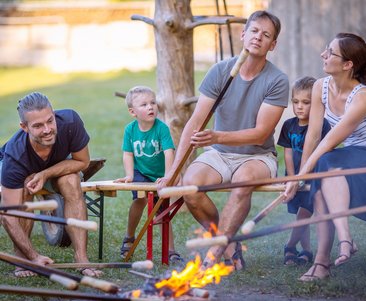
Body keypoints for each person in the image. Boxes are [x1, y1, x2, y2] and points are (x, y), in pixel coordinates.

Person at [158, 10, 289, 270]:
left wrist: (217, 135)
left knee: (243, 181)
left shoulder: (277, 80)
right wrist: (173, 173)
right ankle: (228, 241)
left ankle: (214, 254)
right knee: (190, 187)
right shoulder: (220, 71)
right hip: (220, 153)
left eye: (266, 35)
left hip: (257, 156)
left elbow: (261, 133)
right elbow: (195, 123)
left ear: (272, 45)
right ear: (243, 34)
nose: (258, 38)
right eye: (254, 31)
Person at [284, 33, 366, 281]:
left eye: (331, 53)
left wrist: (302, 174)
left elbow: (328, 141)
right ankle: (324, 261)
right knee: (322, 172)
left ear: (348, 65)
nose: (323, 55)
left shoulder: (362, 98)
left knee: (326, 161)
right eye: (326, 49)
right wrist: (302, 175)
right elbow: (313, 135)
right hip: (358, 154)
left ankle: (342, 243)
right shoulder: (320, 87)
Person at [0, 92, 102, 277]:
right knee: (25, 187)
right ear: (24, 127)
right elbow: (9, 215)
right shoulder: (14, 157)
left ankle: (82, 258)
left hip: (51, 167)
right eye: (38, 126)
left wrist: (44, 174)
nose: (47, 129)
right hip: (19, 171)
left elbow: (82, 162)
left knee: (71, 180)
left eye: (50, 121)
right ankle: (23, 260)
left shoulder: (70, 122)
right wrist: (34, 257)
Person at [114, 86, 184, 263]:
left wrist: (169, 176)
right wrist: (129, 175)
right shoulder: (130, 130)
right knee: (140, 199)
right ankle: (129, 236)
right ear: (133, 112)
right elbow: (128, 154)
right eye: (144, 104)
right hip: (140, 172)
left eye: (153, 102)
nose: (150, 107)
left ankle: (170, 250)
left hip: (160, 174)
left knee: (163, 210)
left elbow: (169, 152)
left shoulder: (162, 128)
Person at [277, 76, 331, 266]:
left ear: (316, 103)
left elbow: (325, 154)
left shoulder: (323, 126)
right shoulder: (288, 125)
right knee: (301, 214)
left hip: (313, 178)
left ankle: (290, 245)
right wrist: (292, 177)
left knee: (305, 212)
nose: (300, 107)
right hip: (293, 178)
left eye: (306, 103)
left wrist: (305, 177)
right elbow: (288, 153)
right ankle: (306, 250)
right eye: (296, 102)